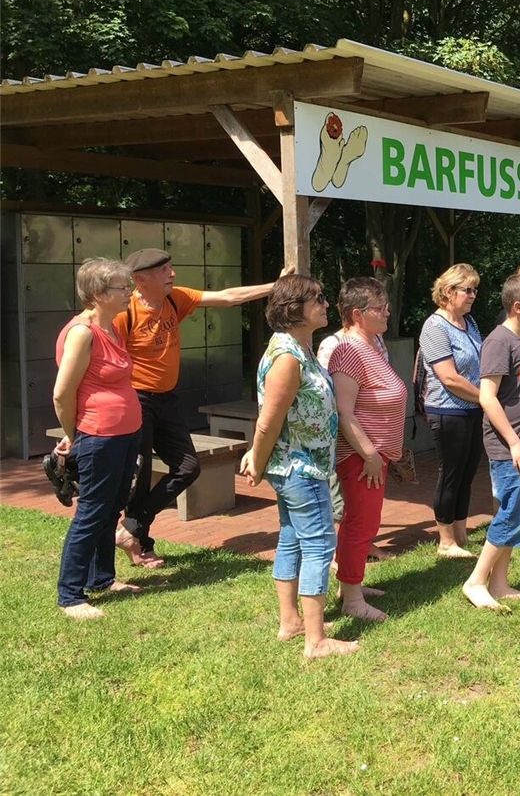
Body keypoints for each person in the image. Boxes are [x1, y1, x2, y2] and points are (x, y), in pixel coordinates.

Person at [114, 248, 289, 568]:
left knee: (187, 467)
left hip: (166, 400)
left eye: (171, 266)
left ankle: (131, 529)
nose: (173, 274)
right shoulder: (124, 313)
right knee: (138, 476)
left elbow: (227, 297)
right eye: (164, 269)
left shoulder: (173, 299)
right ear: (141, 279)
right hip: (136, 400)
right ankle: (141, 543)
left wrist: (273, 288)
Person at [239, 275, 357, 659]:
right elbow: (269, 420)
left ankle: (292, 622)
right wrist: (256, 459)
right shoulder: (288, 357)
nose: (325, 304)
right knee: (321, 544)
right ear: (295, 310)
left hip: (303, 466)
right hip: (298, 468)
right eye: (317, 299)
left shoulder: (298, 348)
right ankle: (315, 640)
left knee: (291, 538)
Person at [51, 259, 143, 619]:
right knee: (91, 513)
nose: (130, 294)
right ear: (98, 294)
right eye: (123, 288)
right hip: (99, 436)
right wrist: (75, 436)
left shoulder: (113, 328)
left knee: (111, 508)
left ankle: (102, 579)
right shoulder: (82, 333)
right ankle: (70, 595)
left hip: (124, 434)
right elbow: (62, 394)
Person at [463, 273, 520, 610]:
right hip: (510, 445)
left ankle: (499, 582)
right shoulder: (499, 342)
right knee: (511, 511)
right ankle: (476, 581)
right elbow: (488, 397)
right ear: (517, 306)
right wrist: (514, 443)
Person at [328, 277, 407, 622]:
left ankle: (351, 585)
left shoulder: (370, 345)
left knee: (360, 523)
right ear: (358, 314)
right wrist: (370, 454)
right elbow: (344, 412)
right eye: (380, 307)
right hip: (361, 458)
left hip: (373, 456)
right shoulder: (347, 350)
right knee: (362, 523)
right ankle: (353, 602)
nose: (387, 312)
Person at [419, 263, 484, 558]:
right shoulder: (434, 327)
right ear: (448, 292)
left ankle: (460, 534)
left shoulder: (469, 323)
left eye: (475, 289)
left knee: (468, 473)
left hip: (472, 409)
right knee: (451, 474)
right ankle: (445, 540)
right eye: (467, 289)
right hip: (448, 411)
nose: (473, 295)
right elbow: (449, 378)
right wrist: (486, 398)